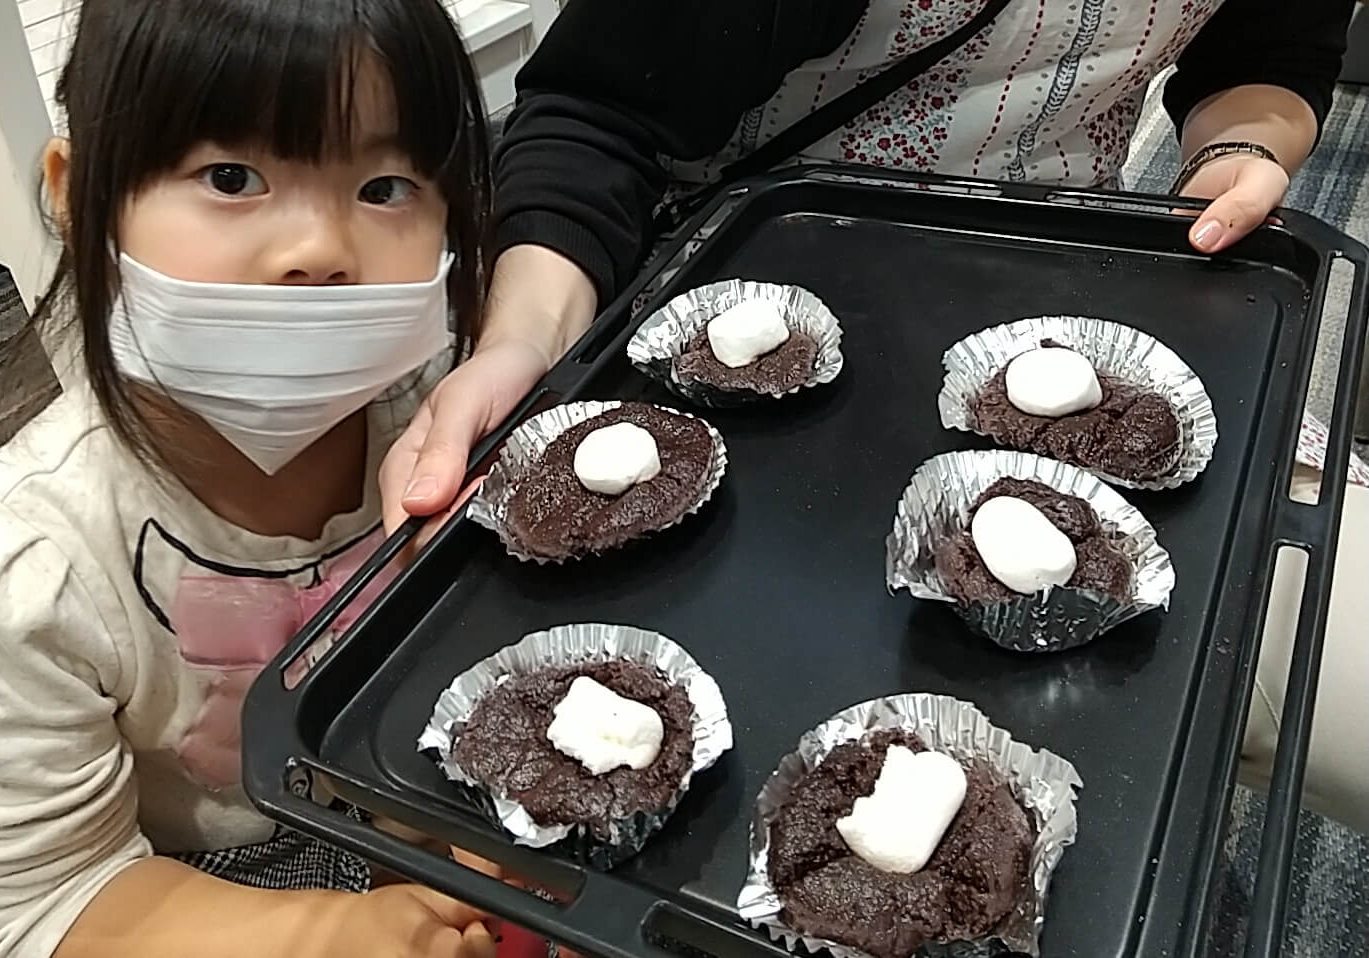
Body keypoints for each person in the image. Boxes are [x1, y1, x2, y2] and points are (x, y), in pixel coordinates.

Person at [380, 0, 1369, 836]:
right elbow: (600, 116)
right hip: (763, 351)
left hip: (1067, 308)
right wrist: (517, 345)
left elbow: (1268, 63)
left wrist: (1242, 148)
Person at [0, 1, 507, 956]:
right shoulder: (9, 571)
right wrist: (323, 933)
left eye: (387, 186)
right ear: (80, 201)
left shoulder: (450, 414)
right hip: (174, 879)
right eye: (231, 177)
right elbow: (53, 895)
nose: (320, 251)